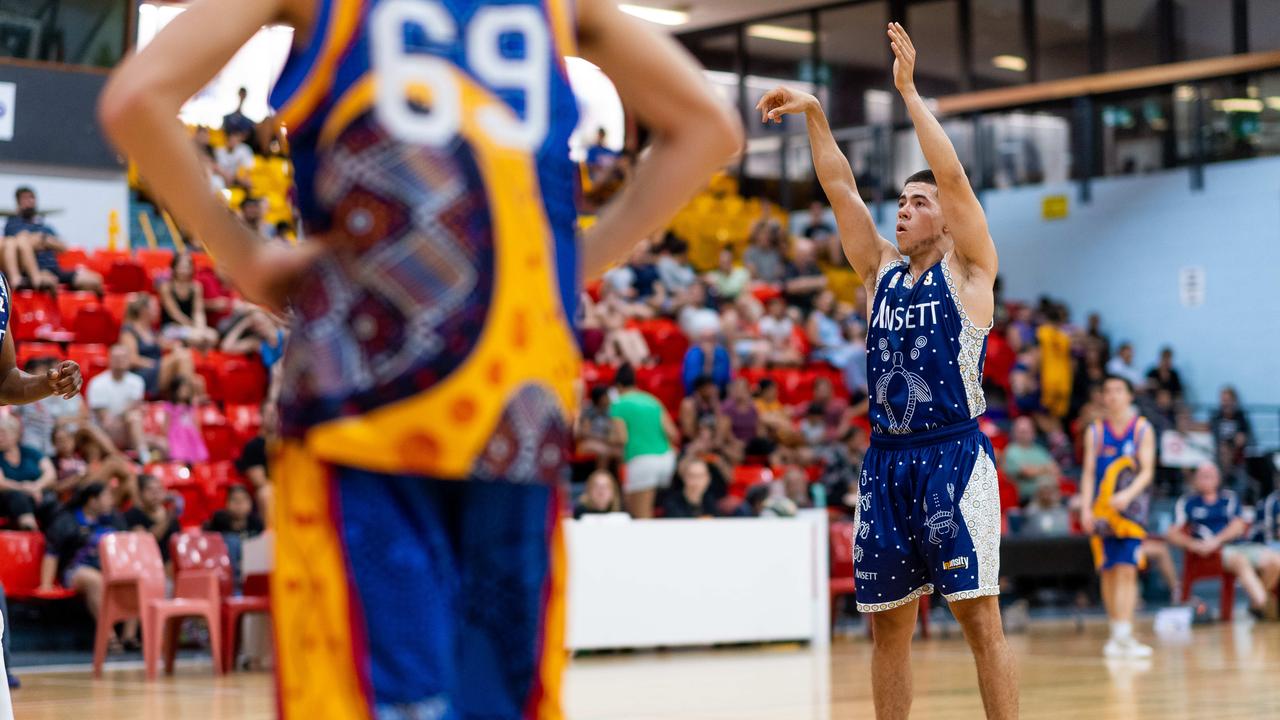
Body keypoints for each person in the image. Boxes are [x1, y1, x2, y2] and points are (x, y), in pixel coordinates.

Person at [103, 0, 742, 713]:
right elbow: (709, 129)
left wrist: (245, 256)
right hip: (517, 408)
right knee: (500, 698)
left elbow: (135, 98)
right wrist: (576, 263)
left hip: (363, 407)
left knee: (371, 698)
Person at [757, 22, 1015, 719]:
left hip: (954, 460)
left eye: (917, 203)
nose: (903, 210)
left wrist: (906, 93)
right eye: (899, 202)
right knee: (888, 627)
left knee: (980, 623)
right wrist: (814, 113)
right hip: (887, 462)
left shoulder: (970, 270)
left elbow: (954, 177)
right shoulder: (878, 272)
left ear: (947, 221)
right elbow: (840, 184)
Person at [1078, 376, 1155, 658]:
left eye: (1118, 390)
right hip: (1102, 511)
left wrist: (1128, 494)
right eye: (1107, 390)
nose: (1112, 395)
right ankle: (1116, 633)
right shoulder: (1096, 432)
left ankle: (1125, 634)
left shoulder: (1142, 429)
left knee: (1127, 569)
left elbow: (1147, 471)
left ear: (1129, 396)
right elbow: (1087, 474)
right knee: (1109, 571)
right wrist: (1085, 508)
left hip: (1131, 511)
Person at [1167, 463, 1280, 620]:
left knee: (1275, 560)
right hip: (1210, 553)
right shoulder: (1187, 502)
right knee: (1239, 560)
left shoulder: (1229, 498)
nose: (1207, 479)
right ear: (1196, 480)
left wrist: (1217, 540)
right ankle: (1264, 604)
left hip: (1238, 545)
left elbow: (1239, 525)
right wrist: (1192, 544)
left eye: (1211, 475)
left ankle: (1257, 604)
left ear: (1218, 479)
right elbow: (1172, 534)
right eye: (1203, 476)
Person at [40, 483, 129, 644]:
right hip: (75, 570)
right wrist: (46, 584)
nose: (111, 501)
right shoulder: (68, 520)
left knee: (137, 579)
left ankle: (129, 637)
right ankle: (110, 637)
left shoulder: (114, 519)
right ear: (92, 501)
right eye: (107, 497)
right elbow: (52, 552)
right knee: (95, 580)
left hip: (111, 570)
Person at [610, 364, 681, 519]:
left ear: (618, 386)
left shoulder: (618, 404)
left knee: (641, 514)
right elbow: (673, 433)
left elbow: (622, 438)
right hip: (666, 460)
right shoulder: (652, 400)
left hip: (642, 460)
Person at [3, 186, 103, 292]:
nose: (29, 201)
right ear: (18, 203)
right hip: (38, 271)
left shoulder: (45, 226)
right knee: (49, 282)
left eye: (31, 198)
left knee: (95, 280)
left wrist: (43, 239)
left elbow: (63, 247)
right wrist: (46, 241)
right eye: (25, 198)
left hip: (56, 270)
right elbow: (22, 241)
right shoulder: (13, 223)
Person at [86, 345, 150, 461]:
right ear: (109, 360)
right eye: (116, 358)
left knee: (161, 444)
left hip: (128, 428)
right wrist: (128, 411)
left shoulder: (137, 381)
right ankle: (144, 459)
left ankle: (143, 457)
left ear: (129, 360)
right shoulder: (97, 383)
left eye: (123, 358)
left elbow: (135, 408)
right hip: (105, 432)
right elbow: (105, 421)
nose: (120, 361)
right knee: (134, 418)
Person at [157, 252, 219, 350]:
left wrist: (200, 328)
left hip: (191, 326)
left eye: (187, 267)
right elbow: (175, 313)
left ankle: (200, 360)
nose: (184, 271)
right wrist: (194, 328)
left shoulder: (196, 287)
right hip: (172, 326)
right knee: (196, 337)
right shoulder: (166, 287)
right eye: (181, 267)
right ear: (174, 268)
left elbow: (198, 311)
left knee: (212, 336)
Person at [123, 474, 181, 563]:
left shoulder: (169, 514)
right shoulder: (133, 515)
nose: (155, 494)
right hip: (147, 563)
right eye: (150, 490)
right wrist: (168, 518)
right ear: (140, 493)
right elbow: (146, 541)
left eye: (159, 489)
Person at [1003, 417, 1060, 504]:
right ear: (1014, 433)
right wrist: (1046, 469)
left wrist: (1038, 470)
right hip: (1027, 499)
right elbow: (1028, 472)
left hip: (1050, 495)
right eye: (1021, 431)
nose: (1024, 434)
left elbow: (1056, 469)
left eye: (1027, 431)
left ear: (1033, 432)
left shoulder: (1040, 450)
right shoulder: (1011, 451)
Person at [161, 377, 209, 465]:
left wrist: (198, 434)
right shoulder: (170, 406)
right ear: (175, 390)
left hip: (190, 434)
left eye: (186, 390)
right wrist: (165, 437)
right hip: (176, 436)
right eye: (182, 389)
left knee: (195, 457)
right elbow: (166, 424)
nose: (185, 392)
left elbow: (195, 421)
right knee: (178, 457)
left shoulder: (190, 406)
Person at [1036, 304, 1072, 419]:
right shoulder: (1065, 337)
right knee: (1056, 416)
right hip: (1064, 380)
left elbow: (1038, 355)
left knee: (1043, 414)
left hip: (1046, 379)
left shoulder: (1041, 332)